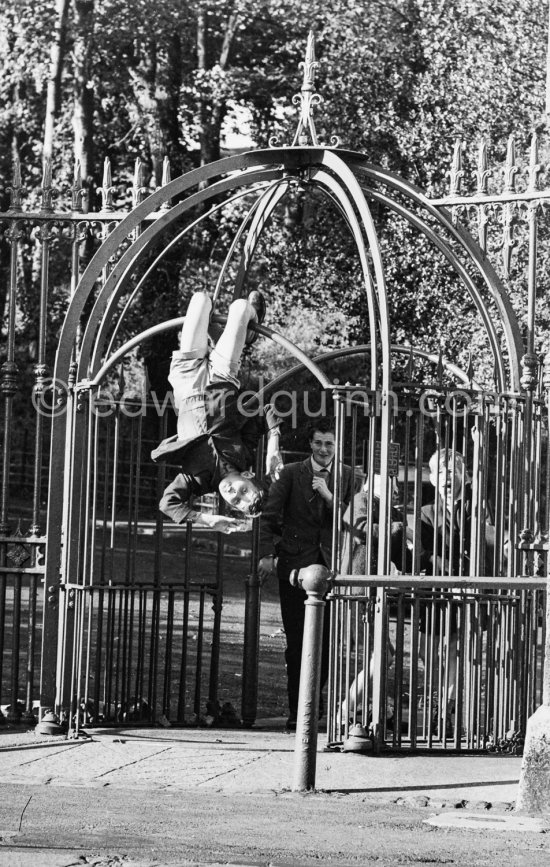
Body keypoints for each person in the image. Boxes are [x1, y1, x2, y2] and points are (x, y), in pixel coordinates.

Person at [152, 290, 282, 533]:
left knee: (200, 300)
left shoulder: (197, 481)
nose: (236, 493)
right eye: (244, 490)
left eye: (236, 501)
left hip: (186, 378)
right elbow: (265, 410)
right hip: (222, 377)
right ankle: (248, 329)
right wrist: (274, 444)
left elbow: (167, 504)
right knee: (241, 307)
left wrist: (207, 520)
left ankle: (222, 334)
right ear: (247, 474)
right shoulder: (243, 454)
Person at [257, 418, 355, 730]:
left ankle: (314, 705)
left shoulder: (349, 477)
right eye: (318, 443)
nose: (324, 449)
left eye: (329, 443)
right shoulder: (290, 473)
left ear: (336, 446)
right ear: (310, 444)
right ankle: (297, 712)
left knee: (327, 643)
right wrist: (266, 554)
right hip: (296, 570)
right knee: (298, 643)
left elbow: (355, 522)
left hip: (334, 569)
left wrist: (329, 496)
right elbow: (269, 516)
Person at [339, 474, 412, 724]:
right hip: (358, 590)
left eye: (396, 486)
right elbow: (359, 527)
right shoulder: (363, 499)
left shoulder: (393, 513)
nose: (395, 490)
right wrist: (400, 529)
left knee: (382, 654)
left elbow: (400, 553)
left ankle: (364, 708)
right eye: (388, 483)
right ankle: (347, 708)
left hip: (377, 592)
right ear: (372, 482)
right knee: (379, 654)